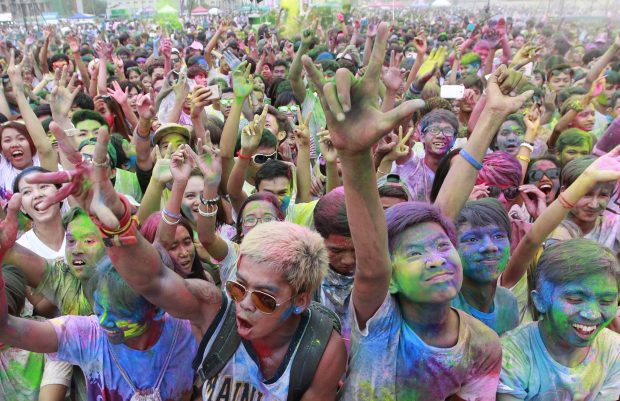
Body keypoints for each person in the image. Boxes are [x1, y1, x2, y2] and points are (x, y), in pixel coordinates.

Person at [302, 22, 532, 399]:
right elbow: (373, 263)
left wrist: (492, 114)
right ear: (391, 278)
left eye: (444, 248)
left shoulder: (484, 345)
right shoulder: (380, 319)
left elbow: (444, 209)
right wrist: (356, 155)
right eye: (414, 253)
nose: (436, 259)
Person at [497, 239, 620, 400]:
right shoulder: (511, 354)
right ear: (540, 300)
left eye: (606, 301)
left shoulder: (614, 350)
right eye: (575, 299)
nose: (593, 314)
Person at [453, 198, 519, 335]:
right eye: (472, 239)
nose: (490, 246)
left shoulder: (508, 302)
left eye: (498, 236)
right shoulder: (444, 306)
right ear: (452, 248)